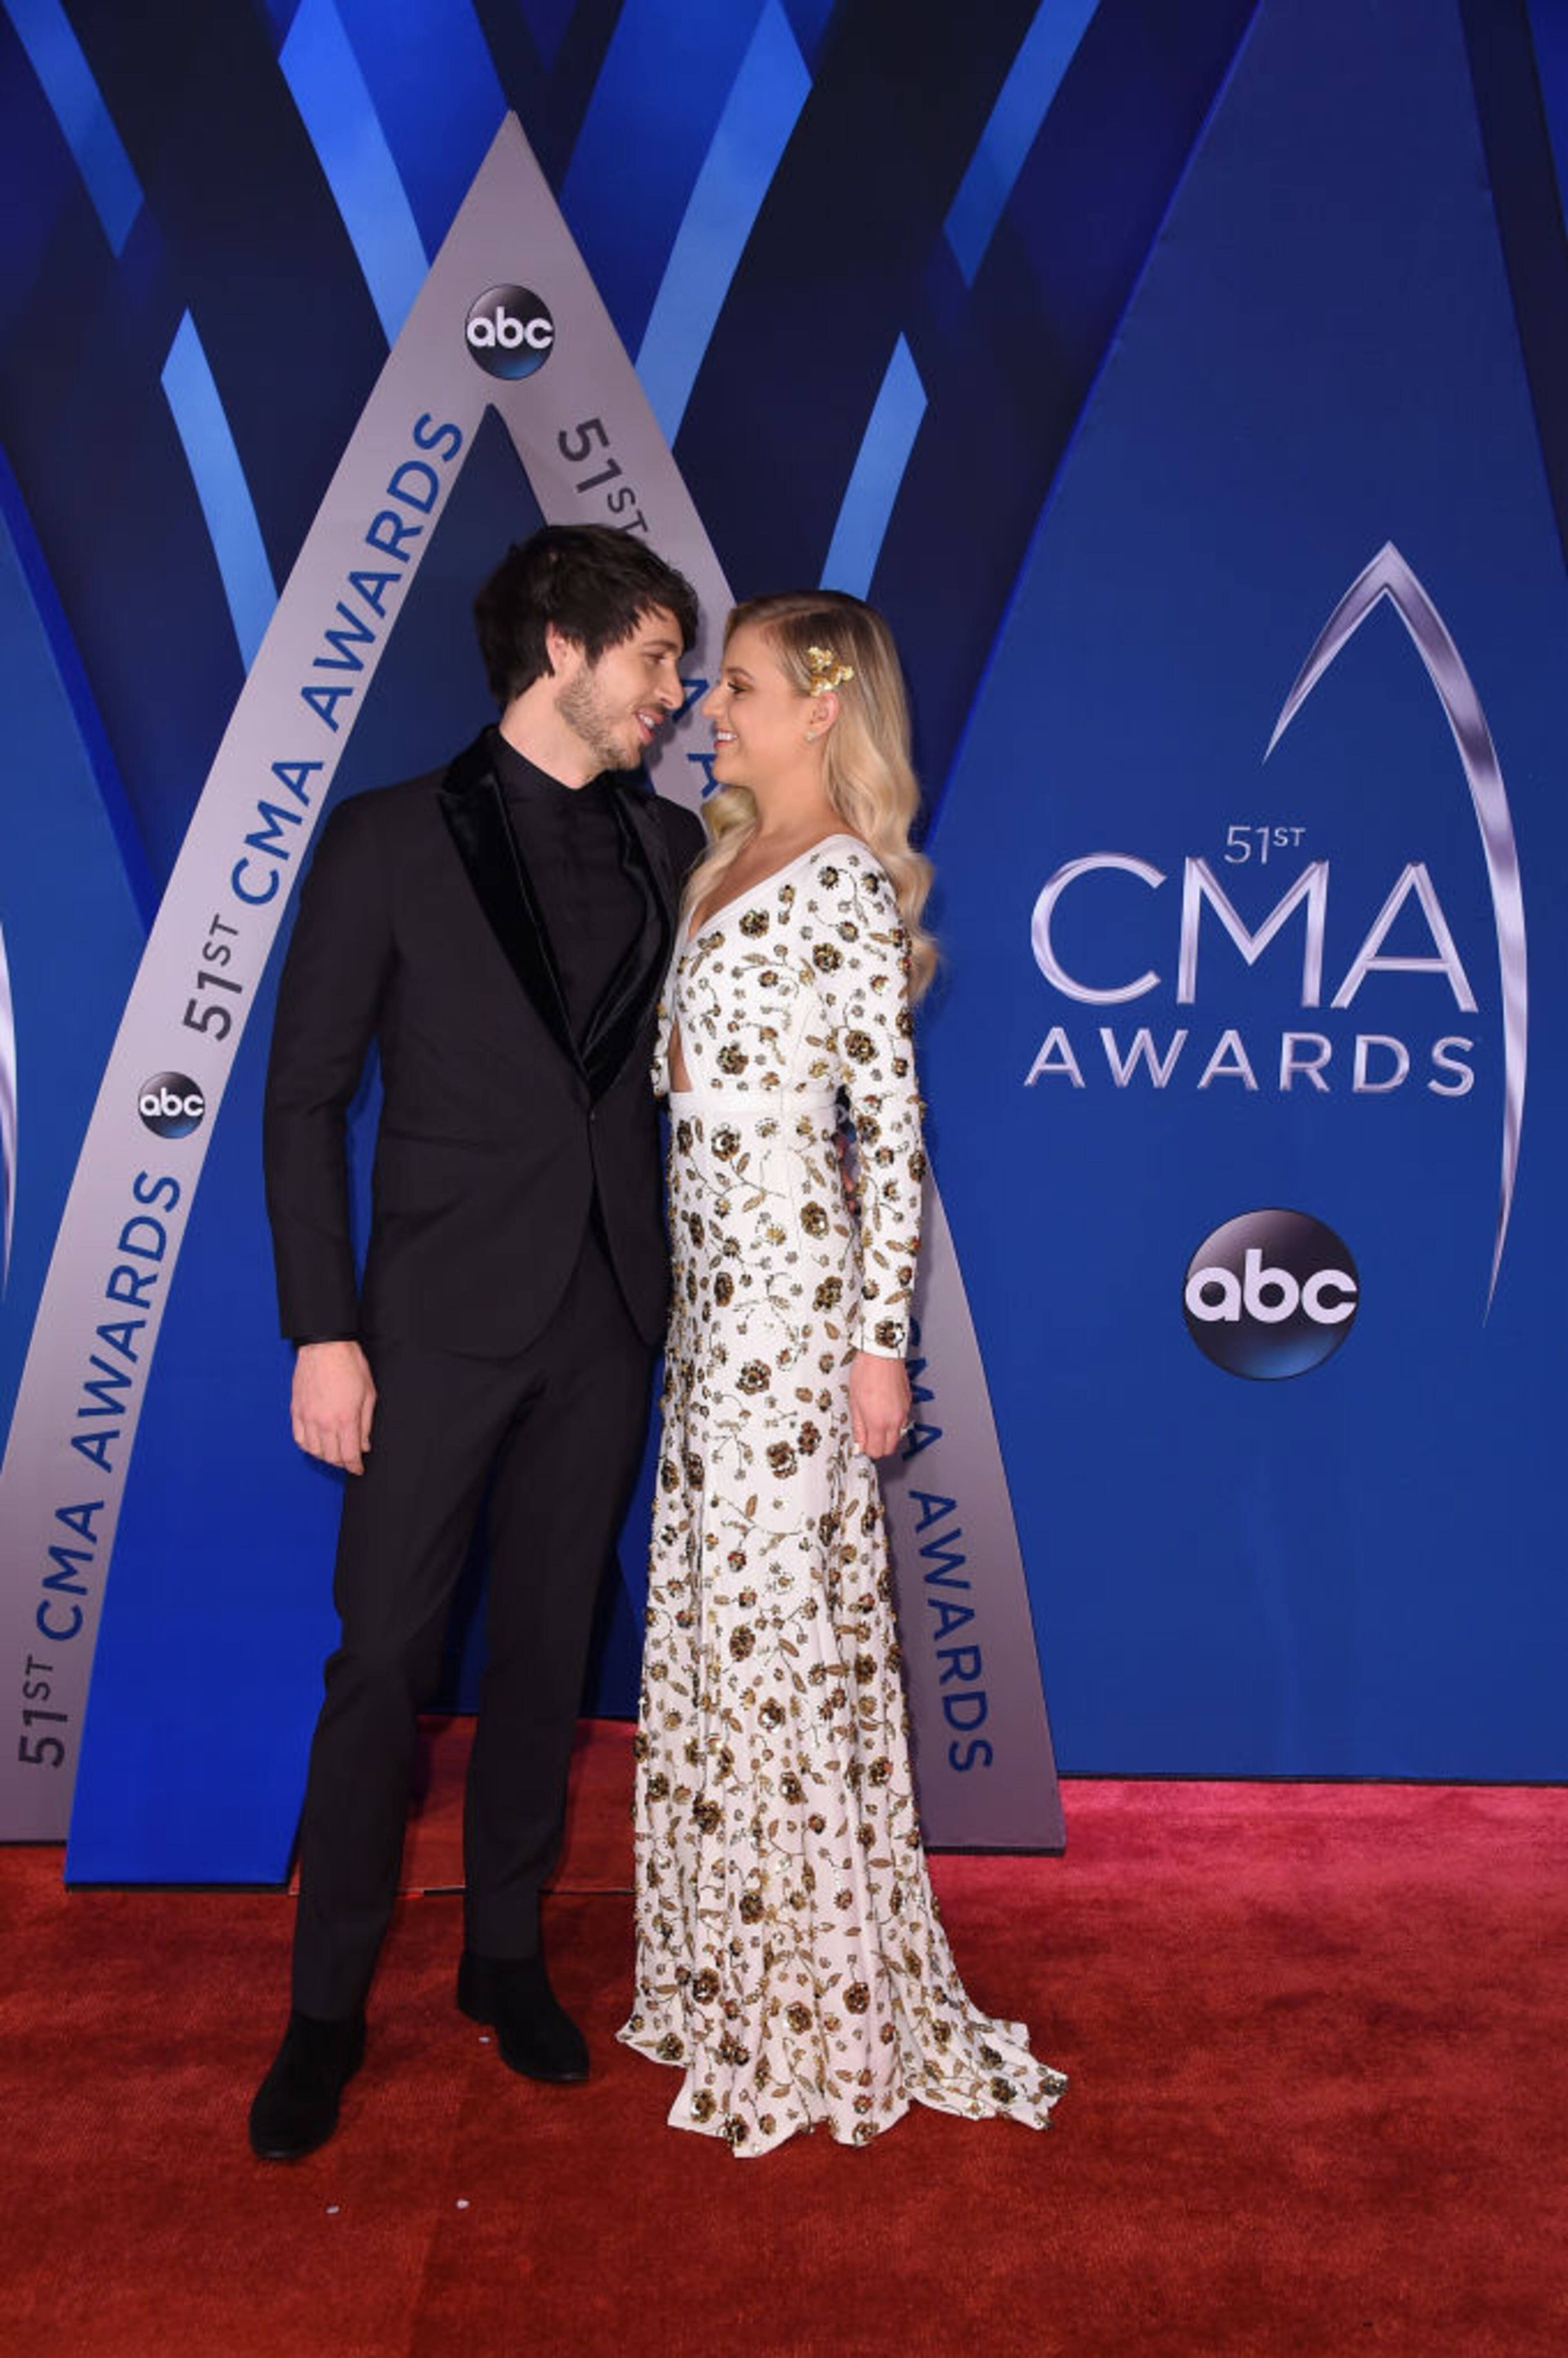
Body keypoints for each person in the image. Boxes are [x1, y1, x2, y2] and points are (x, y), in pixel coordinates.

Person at [248, 524, 705, 2162]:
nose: (679, 688)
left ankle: (502, 1954)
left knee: (544, 1660)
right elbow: (300, 1100)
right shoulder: (384, 839)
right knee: (381, 1663)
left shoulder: (669, 841)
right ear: (563, 652)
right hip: (430, 1326)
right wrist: (326, 1330)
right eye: (656, 656)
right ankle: (323, 2009)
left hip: (607, 1315)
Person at [618, 590, 1067, 2152]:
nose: (706, 708)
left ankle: (817, 2005)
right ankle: (731, 1973)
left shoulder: (846, 891)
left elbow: (890, 1134)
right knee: (719, 1633)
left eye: (731, 684)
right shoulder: (716, 859)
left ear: (820, 706)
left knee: (780, 1646)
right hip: (707, 1307)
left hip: (793, 1320)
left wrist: (882, 1344)